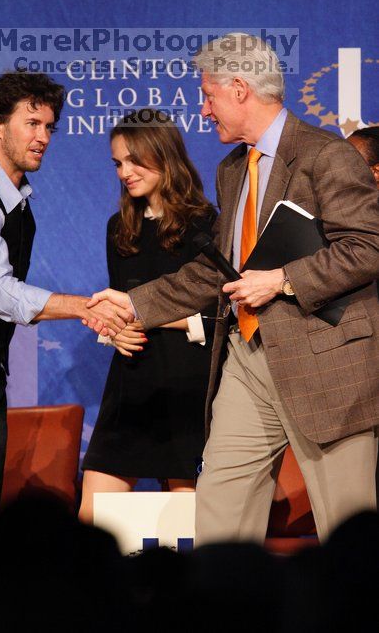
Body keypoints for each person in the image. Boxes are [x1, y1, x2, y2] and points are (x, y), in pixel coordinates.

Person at [89, 33, 379, 546]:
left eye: (209, 95)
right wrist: (135, 303)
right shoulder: (230, 171)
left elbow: (368, 246)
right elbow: (218, 272)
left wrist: (285, 279)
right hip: (246, 357)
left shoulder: (326, 156)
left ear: (240, 88)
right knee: (220, 513)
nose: (203, 110)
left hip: (323, 360)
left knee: (347, 531)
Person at [0, 72, 132, 555]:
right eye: (31, 123)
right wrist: (84, 306)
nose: (43, 137)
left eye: (50, 127)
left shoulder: (20, 205)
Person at [79, 110, 217, 523]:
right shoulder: (119, 227)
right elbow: (118, 304)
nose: (125, 172)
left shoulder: (205, 224)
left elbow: (218, 316)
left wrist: (143, 316)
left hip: (186, 387)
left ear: (164, 155)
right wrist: (114, 332)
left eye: (134, 160)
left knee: (186, 523)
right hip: (130, 385)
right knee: (91, 515)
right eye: (118, 163)